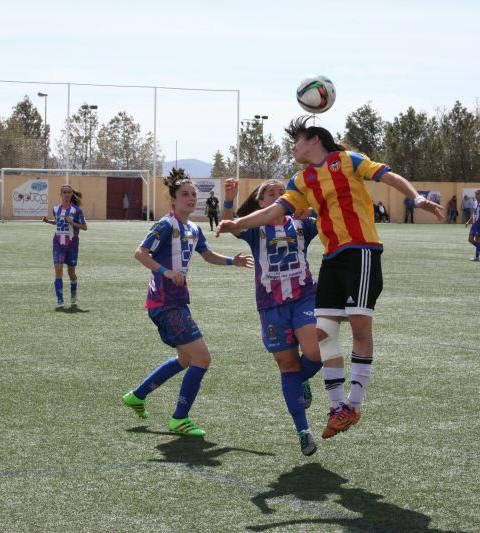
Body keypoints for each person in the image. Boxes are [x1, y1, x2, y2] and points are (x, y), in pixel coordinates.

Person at [217, 116, 443, 440]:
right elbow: (269, 212)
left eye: (296, 140)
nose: (293, 146)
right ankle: (338, 408)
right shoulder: (301, 180)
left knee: (361, 327)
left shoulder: (348, 161)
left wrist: (416, 197)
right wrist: (233, 223)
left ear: (314, 140)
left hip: (362, 251)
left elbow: (387, 175)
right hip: (331, 259)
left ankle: (354, 402)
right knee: (324, 334)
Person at [122, 168, 253, 437]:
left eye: (194, 194)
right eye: (185, 194)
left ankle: (137, 395)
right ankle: (179, 419)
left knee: (185, 359)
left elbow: (206, 255)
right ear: (173, 200)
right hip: (164, 303)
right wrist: (167, 272)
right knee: (202, 358)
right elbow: (140, 253)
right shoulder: (165, 224)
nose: (191, 198)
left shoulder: (193, 228)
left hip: (178, 302)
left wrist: (231, 261)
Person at [221, 178, 324, 456]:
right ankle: (303, 431)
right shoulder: (256, 229)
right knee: (288, 366)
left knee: (316, 350)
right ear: (262, 203)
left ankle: (302, 380)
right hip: (270, 306)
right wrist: (229, 198)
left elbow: (330, 217)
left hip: (304, 296)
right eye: (271, 193)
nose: (278, 195)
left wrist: (313, 208)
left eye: (282, 192)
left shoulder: (303, 224)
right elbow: (230, 223)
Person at [42, 184, 87, 309]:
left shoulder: (77, 210)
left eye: (69, 192)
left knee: (71, 273)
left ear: (72, 194)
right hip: (58, 243)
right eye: (64, 192)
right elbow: (58, 222)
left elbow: (84, 227)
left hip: (72, 245)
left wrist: (72, 223)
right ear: (60, 194)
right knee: (58, 270)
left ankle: (73, 295)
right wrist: (48, 221)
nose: (66, 194)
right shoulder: (56, 209)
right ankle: (60, 301)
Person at [465, 189, 480, 261]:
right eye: (475, 194)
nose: (476, 196)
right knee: (470, 239)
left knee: (477, 239)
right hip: (474, 224)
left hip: (479, 224)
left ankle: (477, 257)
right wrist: (469, 221)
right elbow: (474, 213)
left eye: (477, 194)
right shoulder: (475, 202)